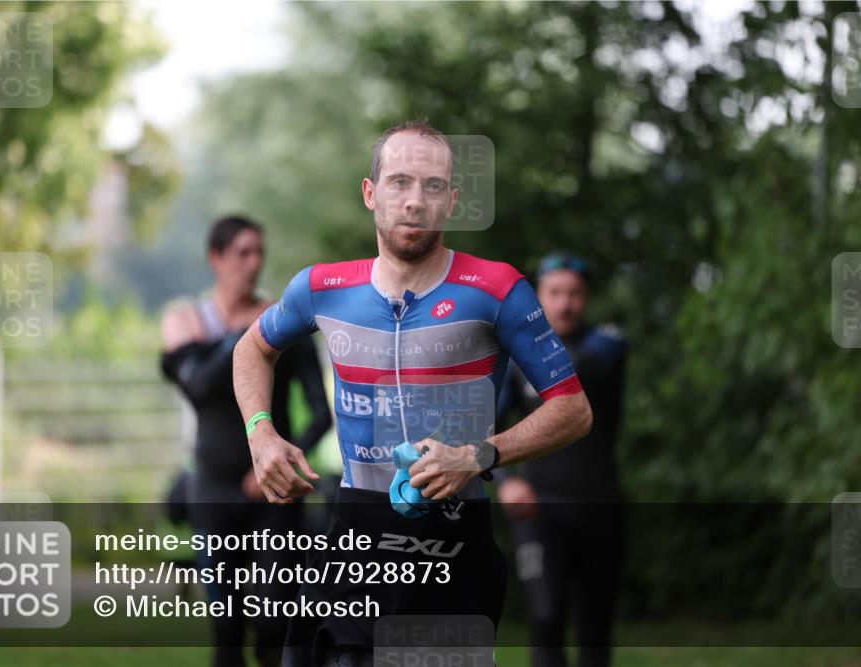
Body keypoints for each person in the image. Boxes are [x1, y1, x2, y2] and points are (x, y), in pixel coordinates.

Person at [232, 120, 594, 667]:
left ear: (451, 201)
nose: (414, 201)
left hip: (453, 539)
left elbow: (573, 409)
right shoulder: (322, 288)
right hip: (355, 531)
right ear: (370, 193)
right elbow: (251, 348)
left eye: (431, 186)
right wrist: (261, 435)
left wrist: (477, 456)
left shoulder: (497, 290)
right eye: (399, 182)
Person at [160, 215, 332, 667]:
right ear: (215, 258)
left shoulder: (286, 323)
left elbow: (320, 414)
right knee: (228, 629)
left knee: (276, 622)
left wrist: (281, 461)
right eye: (243, 253)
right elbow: (197, 386)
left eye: (260, 252)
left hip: (275, 491)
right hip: (213, 492)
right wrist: (251, 334)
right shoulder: (186, 322)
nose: (254, 263)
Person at [496, 251, 627, 667]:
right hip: (539, 508)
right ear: (539, 296)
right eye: (554, 293)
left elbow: (581, 367)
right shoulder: (517, 358)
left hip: (600, 505)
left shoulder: (607, 343)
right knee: (546, 614)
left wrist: (520, 341)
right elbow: (490, 427)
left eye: (574, 294)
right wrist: (506, 481)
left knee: (595, 625)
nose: (565, 303)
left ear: (586, 298)